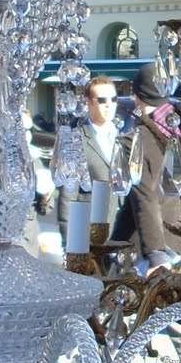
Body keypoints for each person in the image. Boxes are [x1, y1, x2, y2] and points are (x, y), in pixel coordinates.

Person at [111, 63, 181, 272]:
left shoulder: (134, 140)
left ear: (136, 97)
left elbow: (145, 196)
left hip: (143, 251)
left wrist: (156, 254)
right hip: (180, 241)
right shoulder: (180, 131)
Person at [58, 76, 122, 245]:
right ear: (88, 102)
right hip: (89, 231)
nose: (109, 105)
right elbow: (68, 194)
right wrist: (71, 243)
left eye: (114, 99)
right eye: (102, 100)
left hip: (123, 230)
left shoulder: (124, 134)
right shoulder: (76, 138)